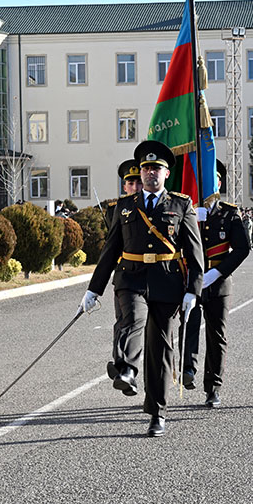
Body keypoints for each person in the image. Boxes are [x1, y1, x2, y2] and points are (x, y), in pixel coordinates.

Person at [81, 140, 203, 437]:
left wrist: (193, 291)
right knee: (132, 319)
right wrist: (93, 290)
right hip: (131, 278)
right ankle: (127, 370)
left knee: (161, 349)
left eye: (156, 169)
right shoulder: (124, 206)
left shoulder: (181, 205)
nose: (150, 174)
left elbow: (195, 251)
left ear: (165, 174)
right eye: (146, 168)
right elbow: (110, 251)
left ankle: (157, 412)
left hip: (167, 280)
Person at [181, 160, 251, 407]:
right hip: (191, 277)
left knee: (216, 334)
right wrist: (190, 220)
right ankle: (188, 368)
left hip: (218, 282)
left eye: (214, 179)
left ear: (219, 183)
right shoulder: (186, 211)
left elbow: (243, 248)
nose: (208, 184)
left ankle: (213, 386)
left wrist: (218, 272)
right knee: (188, 323)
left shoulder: (230, 213)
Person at [104, 158, 145, 393]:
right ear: (125, 186)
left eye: (139, 182)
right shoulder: (116, 209)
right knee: (122, 321)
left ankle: (124, 368)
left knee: (132, 322)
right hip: (123, 273)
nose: (136, 186)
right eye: (131, 183)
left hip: (143, 274)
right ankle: (122, 366)